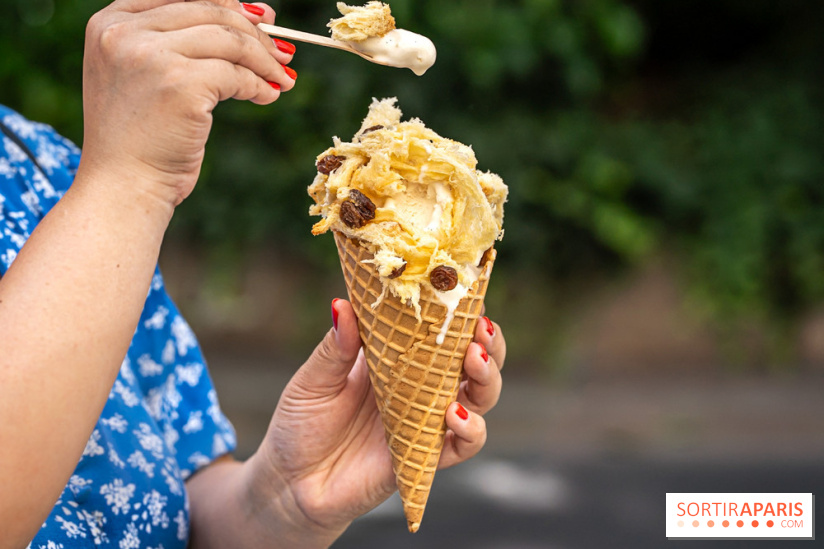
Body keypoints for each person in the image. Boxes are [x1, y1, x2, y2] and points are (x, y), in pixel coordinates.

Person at [0, 1, 506, 548]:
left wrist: (284, 500)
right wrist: (128, 181)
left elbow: (182, 499)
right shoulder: (109, 170)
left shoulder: (43, 164)